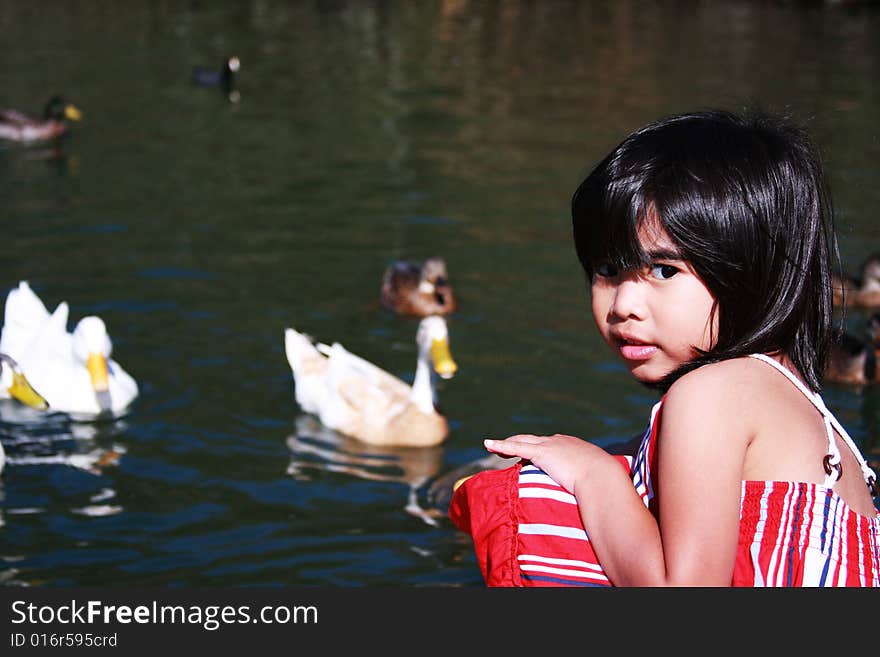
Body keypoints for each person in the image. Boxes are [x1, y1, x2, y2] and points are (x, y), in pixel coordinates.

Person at [449, 108, 880, 586]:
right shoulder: (795, 401)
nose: (624, 305)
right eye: (608, 270)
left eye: (664, 271)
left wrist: (593, 475)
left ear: (750, 271)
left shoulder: (712, 394)